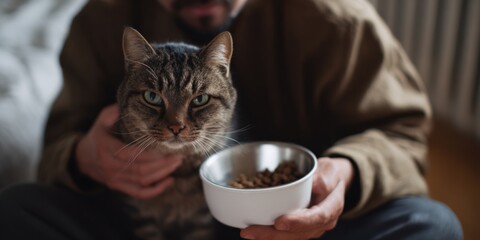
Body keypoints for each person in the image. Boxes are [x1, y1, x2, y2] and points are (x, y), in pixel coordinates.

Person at [0, 0, 463, 239]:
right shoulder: (102, 21)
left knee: (431, 227)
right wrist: (85, 157)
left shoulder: (336, 20)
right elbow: (55, 149)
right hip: (141, 220)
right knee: (16, 211)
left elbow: (402, 134)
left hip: (288, 228)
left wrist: (347, 171)